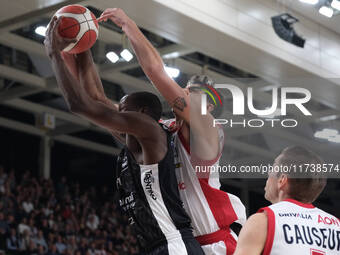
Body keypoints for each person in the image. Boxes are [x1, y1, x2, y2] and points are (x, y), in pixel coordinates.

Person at [44, 16, 204, 255]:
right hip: (157, 246)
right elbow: (96, 99)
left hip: (175, 244)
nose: (117, 113)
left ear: (142, 114)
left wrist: (54, 54)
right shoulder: (137, 144)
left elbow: (80, 105)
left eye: (123, 109)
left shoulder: (151, 132)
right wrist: (83, 45)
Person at [98, 8, 246, 255]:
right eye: (187, 89)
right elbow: (110, 116)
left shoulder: (210, 129)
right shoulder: (163, 130)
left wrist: (129, 24)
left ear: (209, 107)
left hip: (216, 245)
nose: (186, 94)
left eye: (197, 94)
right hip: (178, 241)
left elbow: (157, 72)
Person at [234, 146, 339, 255]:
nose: (269, 173)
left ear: (282, 180)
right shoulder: (336, 226)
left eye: (273, 167)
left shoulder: (263, 221)